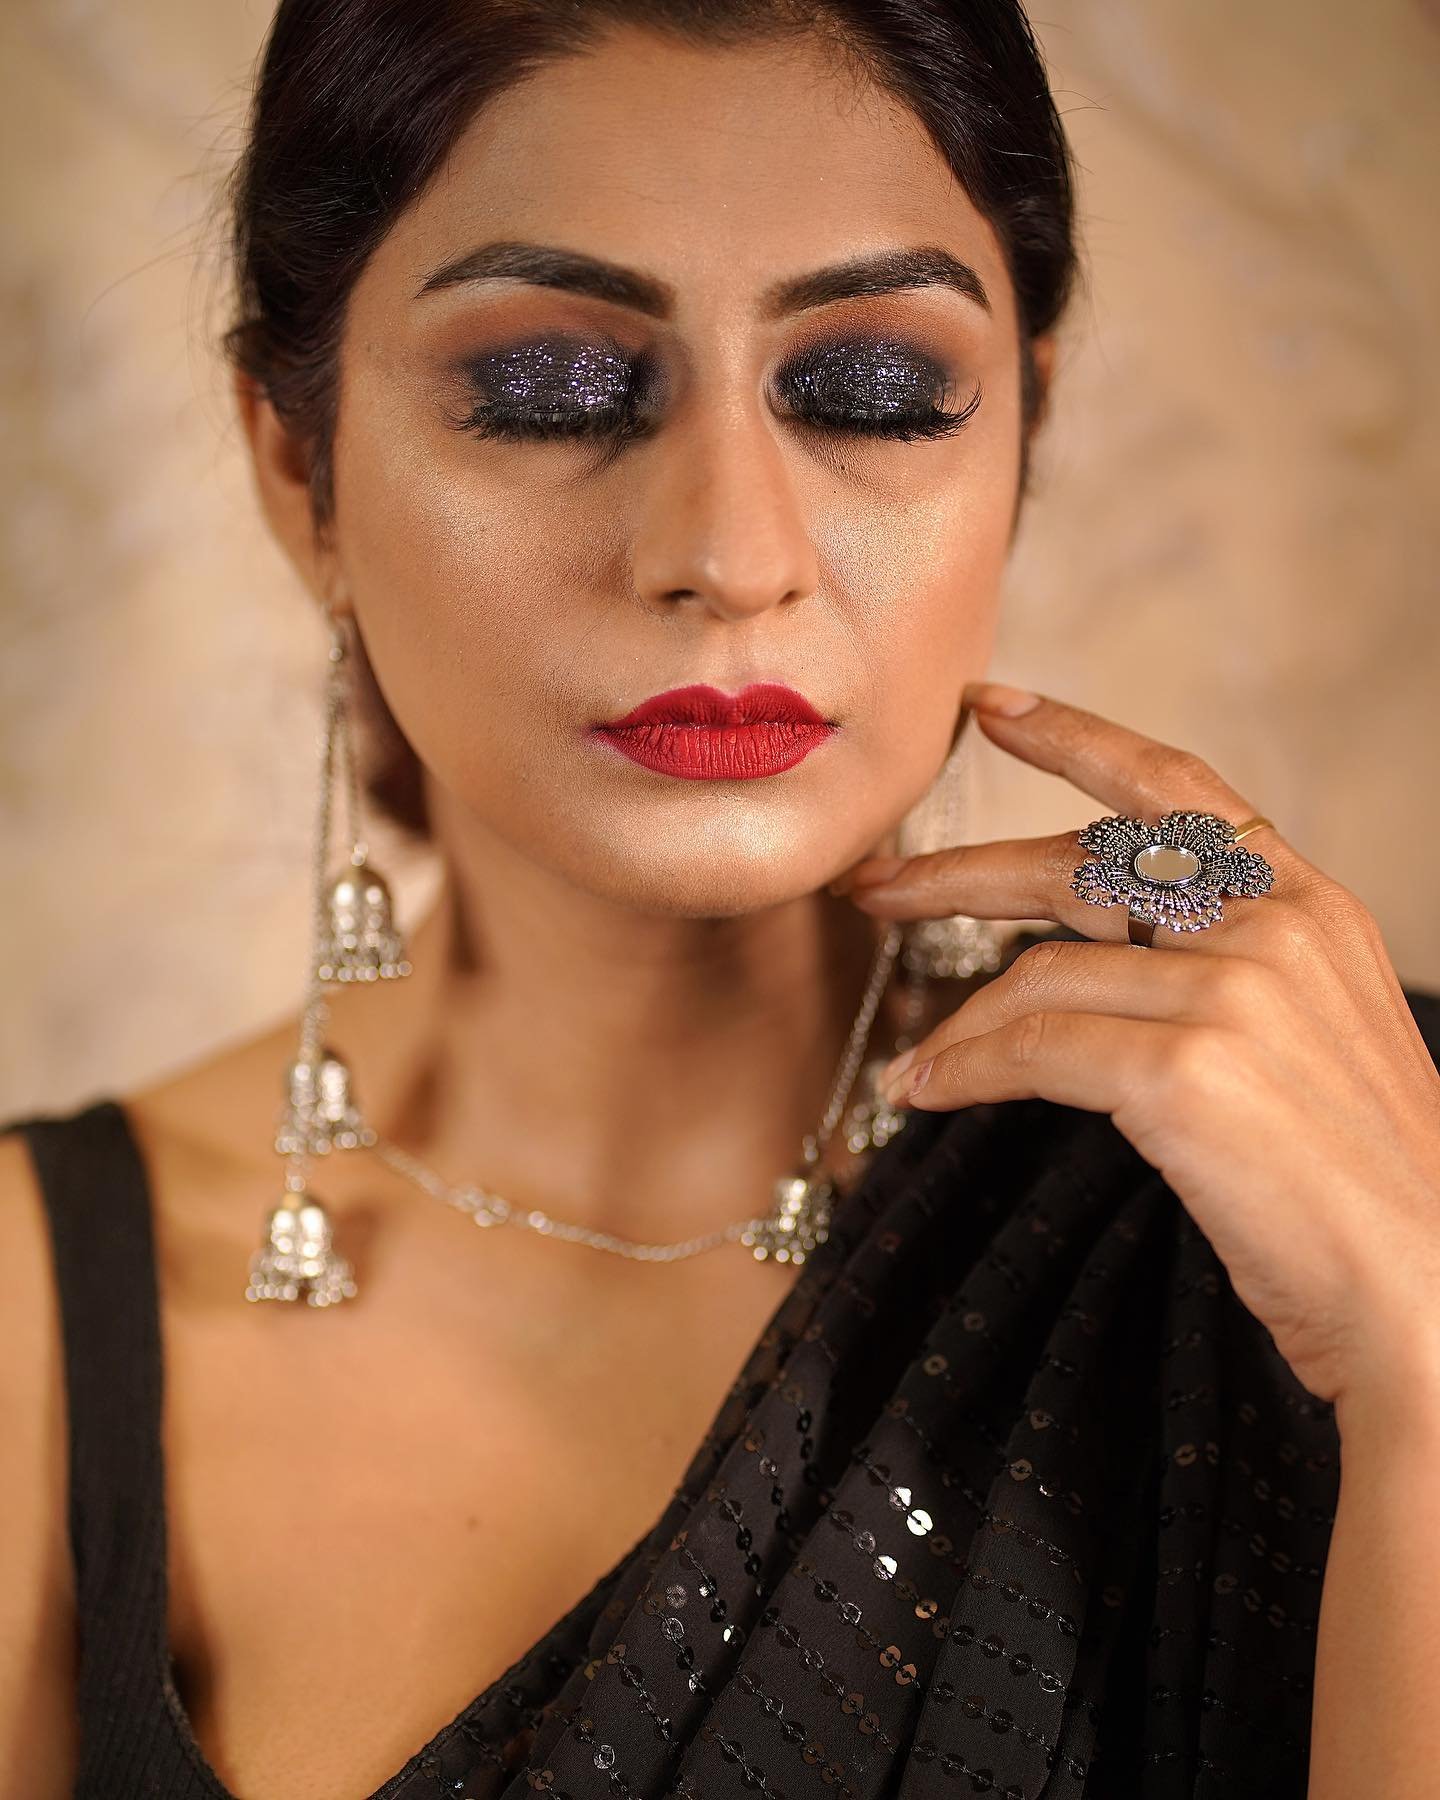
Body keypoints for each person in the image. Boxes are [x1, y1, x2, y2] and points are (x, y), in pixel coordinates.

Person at [3, 2, 1438, 1796]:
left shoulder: (1353, 1179)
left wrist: (1424, 1367)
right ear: (304, 474)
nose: (730, 555)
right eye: (549, 390)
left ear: (1026, 434)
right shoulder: (35, 1320)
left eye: (870, 394)